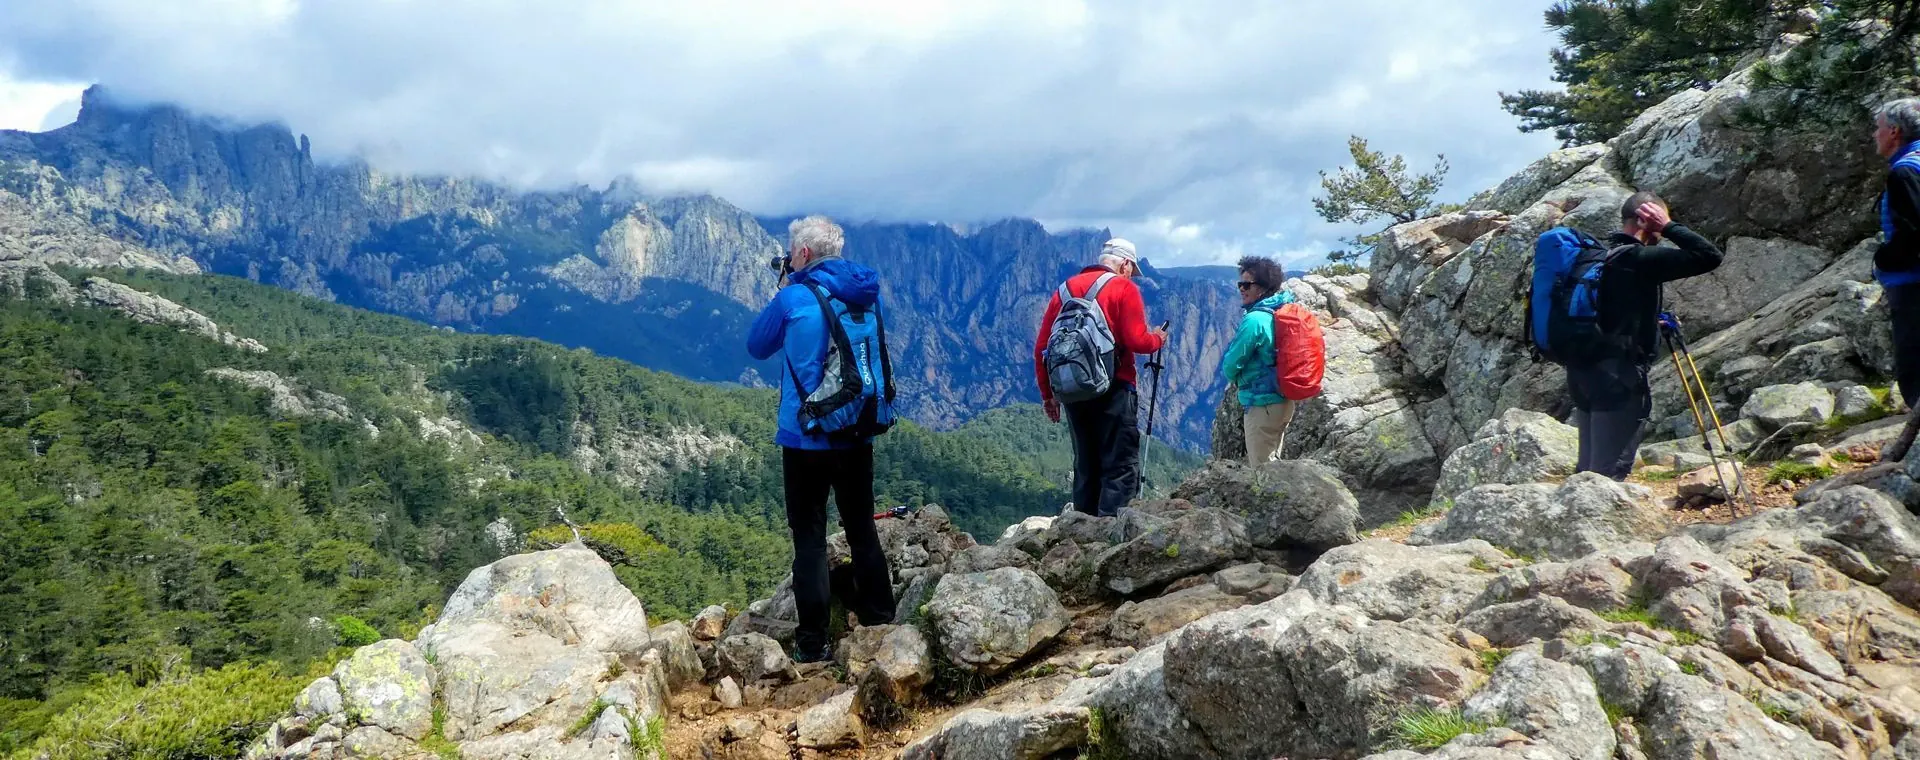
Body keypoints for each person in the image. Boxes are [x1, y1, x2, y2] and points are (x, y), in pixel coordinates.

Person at [746, 215, 894, 662]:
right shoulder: (865, 297)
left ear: (803, 254)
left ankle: (812, 646)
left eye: (793, 251)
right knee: (861, 528)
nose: (790, 257)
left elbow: (757, 345)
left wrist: (785, 287)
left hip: (805, 439)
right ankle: (882, 621)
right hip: (855, 432)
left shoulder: (793, 297)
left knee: (810, 537)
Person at [1567, 193, 1723, 479]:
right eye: (1658, 218)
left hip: (1583, 376)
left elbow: (1613, 313)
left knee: (1587, 471)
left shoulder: (1598, 259)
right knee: (1606, 474)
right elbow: (1709, 256)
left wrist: (1652, 323)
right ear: (1644, 218)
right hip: (1618, 379)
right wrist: (1667, 226)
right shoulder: (1639, 258)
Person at [1033, 239, 1168, 516]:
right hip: (1115, 387)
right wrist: (1158, 339)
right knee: (1119, 463)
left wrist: (1049, 395)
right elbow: (1137, 341)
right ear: (1125, 264)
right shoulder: (1123, 287)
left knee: (1086, 464)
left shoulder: (1064, 291)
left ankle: (1082, 530)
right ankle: (1110, 535)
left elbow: (1042, 348)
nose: (1132, 276)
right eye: (1132, 270)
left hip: (1074, 388)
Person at [1872, 98, 1920, 461]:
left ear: (1894, 132)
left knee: (1913, 364)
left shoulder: (1904, 171)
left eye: (1878, 127)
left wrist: (1882, 257)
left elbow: (1912, 234)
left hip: (1911, 282)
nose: (1874, 134)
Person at [1220, 256, 1298, 465]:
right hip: (1282, 402)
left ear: (1262, 287)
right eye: (1239, 284)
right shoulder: (1280, 310)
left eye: (1247, 284)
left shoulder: (1255, 320)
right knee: (1274, 465)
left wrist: (1235, 378)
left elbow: (1231, 364)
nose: (1241, 289)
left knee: (1262, 471)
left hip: (1262, 404)